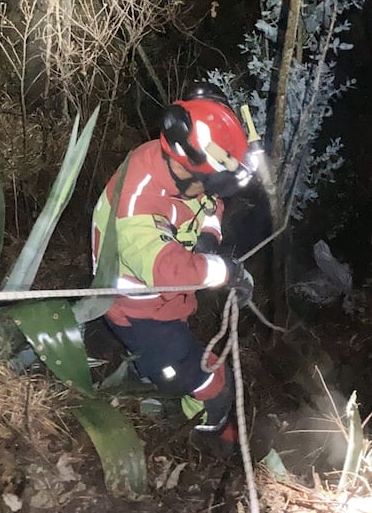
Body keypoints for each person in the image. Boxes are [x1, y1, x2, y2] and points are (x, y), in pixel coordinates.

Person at [91, 82, 256, 454]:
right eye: (210, 183)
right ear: (188, 166)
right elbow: (166, 270)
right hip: (140, 313)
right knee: (211, 383)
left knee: (157, 364)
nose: (213, 193)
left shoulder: (179, 167)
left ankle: (144, 377)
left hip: (166, 304)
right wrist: (226, 273)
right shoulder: (136, 207)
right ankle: (202, 431)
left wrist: (209, 240)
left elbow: (211, 204)